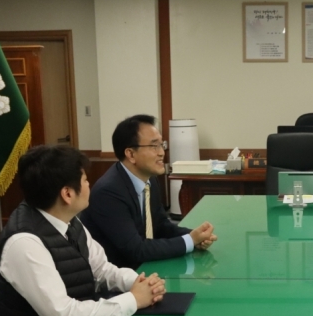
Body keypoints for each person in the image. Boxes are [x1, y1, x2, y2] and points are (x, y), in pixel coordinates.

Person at [0, 145, 166, 316]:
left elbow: (102, 269)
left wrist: (138, 282)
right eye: (85, 180)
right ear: (68, 193)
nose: (90, 185)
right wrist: (133, 300)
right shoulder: (24, 243)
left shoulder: (67, 219)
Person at [80, 114, 217, 269]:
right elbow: (136, 250)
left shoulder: (149, 179)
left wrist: (194, 236)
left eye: (161, 145)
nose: (161, 153)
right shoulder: (109, 192)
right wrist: (189, 241)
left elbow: (160, 225)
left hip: (145, 270)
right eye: (154, 146)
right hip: (116, 280)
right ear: (131, 154)